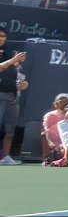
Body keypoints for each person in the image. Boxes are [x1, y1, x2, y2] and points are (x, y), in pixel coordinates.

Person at [0, 28, 26, 165]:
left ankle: (5, 156)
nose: (2, 38)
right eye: (0, 36)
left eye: (4, 36)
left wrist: (23, 84)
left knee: (9, 130)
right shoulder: (8, 59)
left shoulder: (8, 54)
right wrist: (11, 61)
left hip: (12, 97)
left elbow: (19, 76)